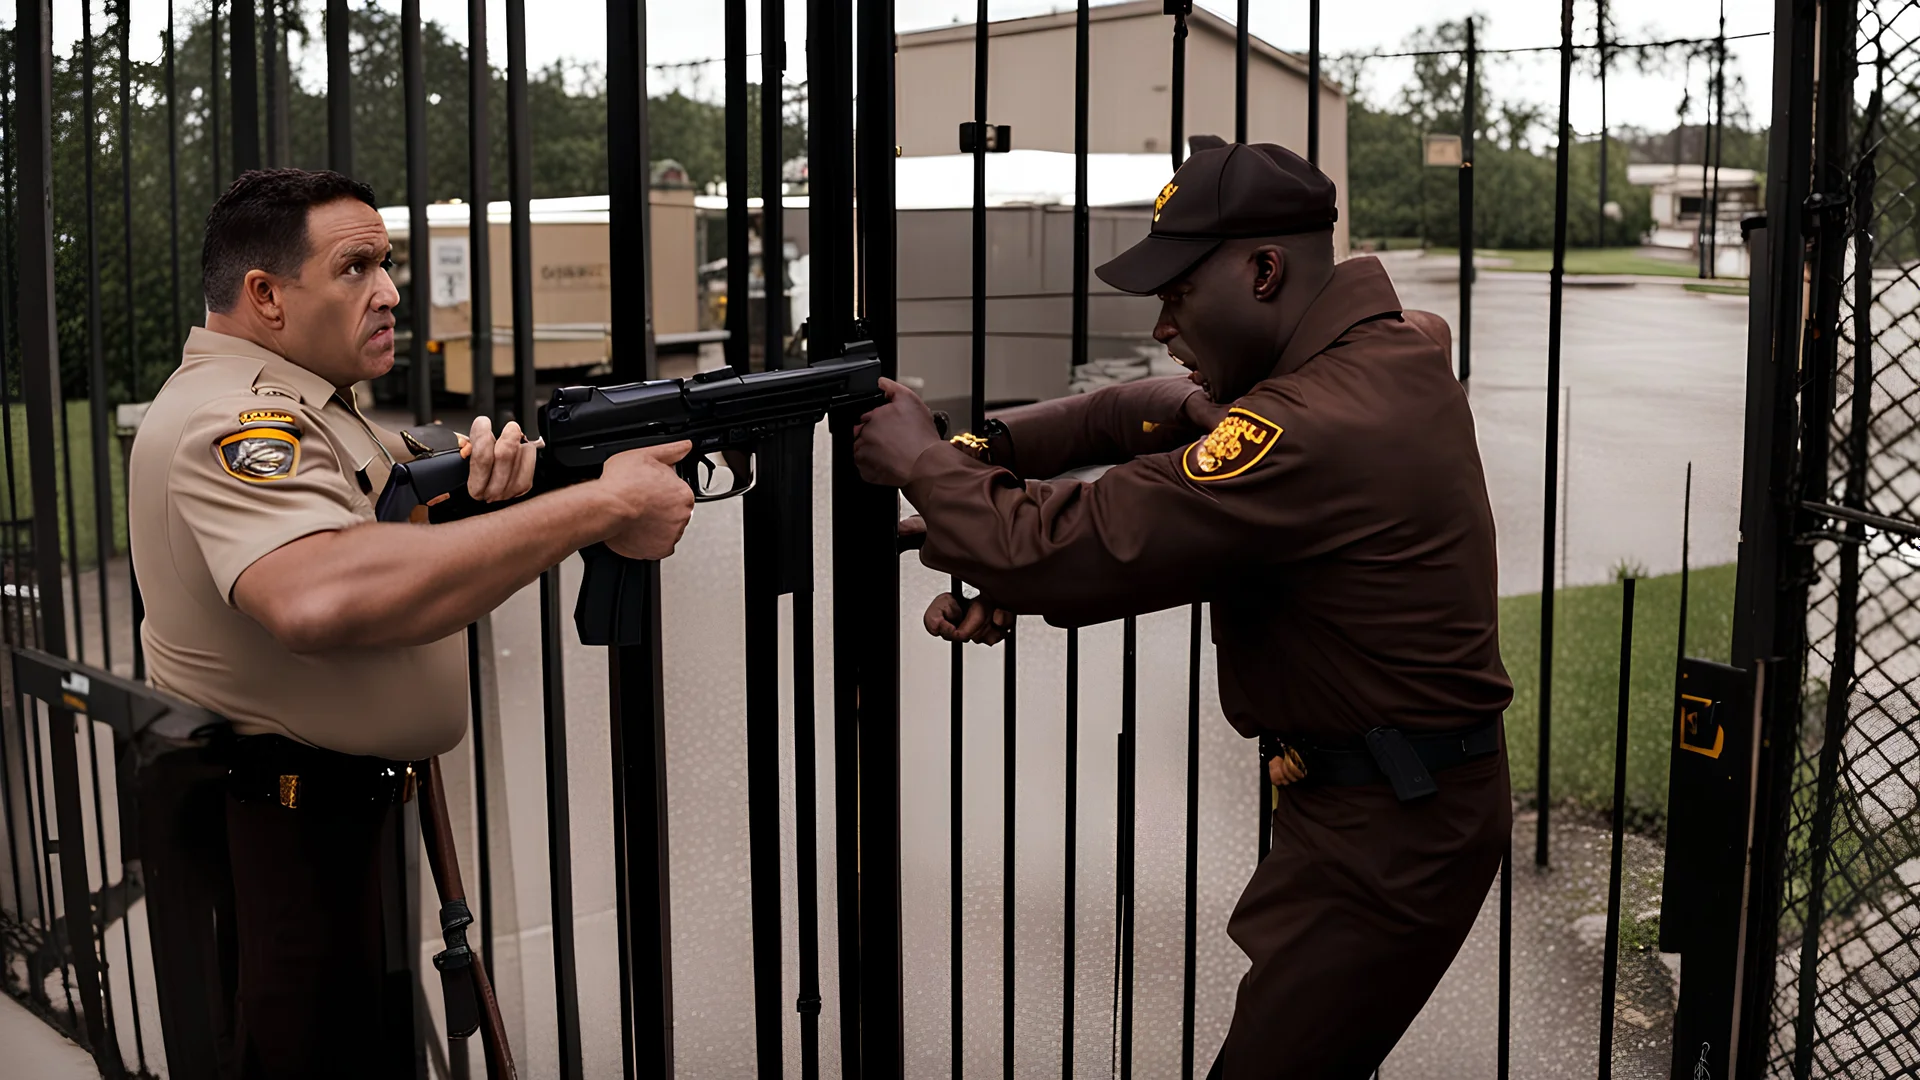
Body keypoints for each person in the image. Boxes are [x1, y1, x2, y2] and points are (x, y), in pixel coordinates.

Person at [853, 137, 1512, 1078]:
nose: (1162, 322)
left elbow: (1063, 549)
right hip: (1378, 804)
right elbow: (1144, 410)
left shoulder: (1314, 426)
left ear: (1264, 270)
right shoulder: (1382, 348)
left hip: (1393, 837)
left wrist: (925, 461)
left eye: (1176, 292)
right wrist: (983, 447)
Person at [127, 169, 695, 1079]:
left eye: (386, 265)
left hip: (328, 823)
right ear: (266, 294)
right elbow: (317, 598)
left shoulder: (316, 406)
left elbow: (396, 557)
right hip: (280, 839)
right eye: (356, 268)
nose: (391, 291)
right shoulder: (237, 421)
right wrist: (599, 507)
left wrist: (515, 489)